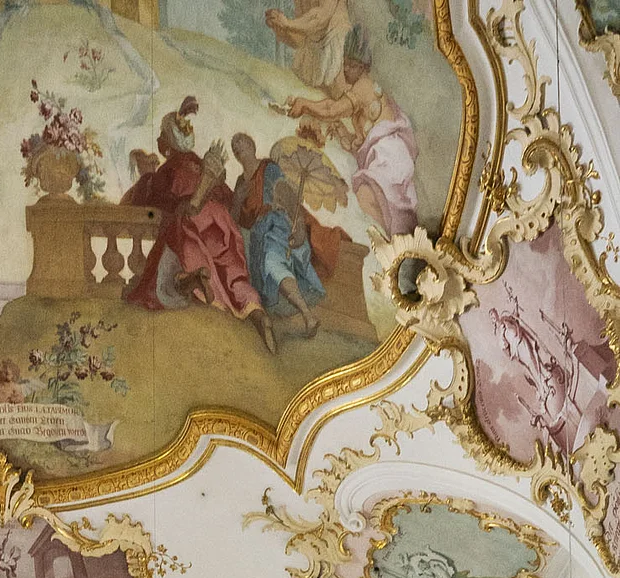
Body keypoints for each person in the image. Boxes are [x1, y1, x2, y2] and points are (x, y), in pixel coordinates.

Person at [123, 120, 276, 351]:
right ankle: (256, 312)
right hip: (221, 222)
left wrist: (147, 178)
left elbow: (147, 203)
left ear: (168, 143)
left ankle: (190, 279)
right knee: (233, 276)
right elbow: (230, 203)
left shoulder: (169, 169)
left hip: (191, 219)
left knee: (165, 279)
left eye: (161, 135)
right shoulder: (200, 164)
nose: (158, 140)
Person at [283, 28, 418, 235]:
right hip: (389, 156)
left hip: (390, 157)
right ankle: (387, 241)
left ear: (363, 68)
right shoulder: (364, 89)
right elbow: (365, 139)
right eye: (345, 63)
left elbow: (331, 109)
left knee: (366, 197)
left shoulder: (363, 86)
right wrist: (346, 136)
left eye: (352, 65)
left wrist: (305, 104)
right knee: (375, 205)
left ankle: (384, 243)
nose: (346, 69)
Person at [231, 132, 340, 337]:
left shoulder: (268, 169)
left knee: (273, 263)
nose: (237, 145)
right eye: (234, 145)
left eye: (241, 141)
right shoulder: (239, 182)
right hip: (256, 238)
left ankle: (308, 316)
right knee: (265, 271)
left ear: (252, 144)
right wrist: (237, 199)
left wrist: (298, 226)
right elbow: (234, 219)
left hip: (277, 227)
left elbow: (288, 196)